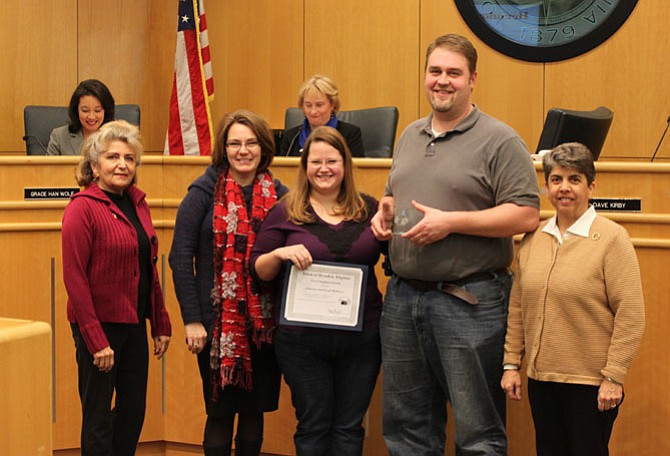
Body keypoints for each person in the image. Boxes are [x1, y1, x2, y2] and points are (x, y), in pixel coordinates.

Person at [370, 33, 541, 455]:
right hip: (403, 300)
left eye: (453, 73)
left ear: (472, 79)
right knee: (406, 429)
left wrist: (452, 223)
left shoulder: (501, 140)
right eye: (435, 71)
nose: (442, 81)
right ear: (425, 76)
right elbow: (395, 194)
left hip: (470, 302)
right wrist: (383, 213)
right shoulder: (410, 134)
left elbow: (525, 214)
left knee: (478, 433)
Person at [500, 143, 645, 456]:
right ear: (547, 186)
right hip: (542, 378)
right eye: (556, 179)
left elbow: (631, 315)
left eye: (574, 179)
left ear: (591, 187)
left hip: (592, 384)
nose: (564, 187)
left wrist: (614, 377)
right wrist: (512, 363)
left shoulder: (612, 239)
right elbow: (517, 307)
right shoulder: (533, 237)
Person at [251, 126, 384, 455]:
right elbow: (259, 269)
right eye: (315, 161)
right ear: (304, 166)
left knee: (349, 427)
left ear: (346, 164)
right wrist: (280, 254)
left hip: (362, 339)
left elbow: (396, 257)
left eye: (332, 161)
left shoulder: (369, 209)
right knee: (314, 425)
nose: (324, 169)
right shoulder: (285, 211)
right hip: (301, 343)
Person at [169, 110, 288, 456]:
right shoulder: (202, 192)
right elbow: (180, 258)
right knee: (220, 414)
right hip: (215, 327)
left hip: (265, 327)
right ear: (224, 147)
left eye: (251, 142)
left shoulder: (280, 194)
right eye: (235, 142)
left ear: (263, 147)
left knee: (255, 411)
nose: (243, 150)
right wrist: (192, 319)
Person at [61, 120, 171, 455]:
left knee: (132, 413)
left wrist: (160, 322)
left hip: (134, 325)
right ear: (94, 165)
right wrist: (96, 341)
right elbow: (74, 277)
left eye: (129, 158)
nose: (122, 164)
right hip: (99, 329)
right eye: (112, 157)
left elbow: (148, 267)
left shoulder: (138, 203)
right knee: (96, 419)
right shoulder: (82, 207)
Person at [280, 75, 364, 157]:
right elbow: (282, 169)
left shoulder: (350, 134)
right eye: (308, 105)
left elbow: (355, 169)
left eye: (319, 105)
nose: (313, 111)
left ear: (332, 105)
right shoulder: (292, 137)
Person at [47, 79, 115, 156]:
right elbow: (47, 168)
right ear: (76, 110)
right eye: (85, 110)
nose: (91, 117)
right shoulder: (59, 136)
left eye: (97, 110)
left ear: (106, 110)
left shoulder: (117, 137)